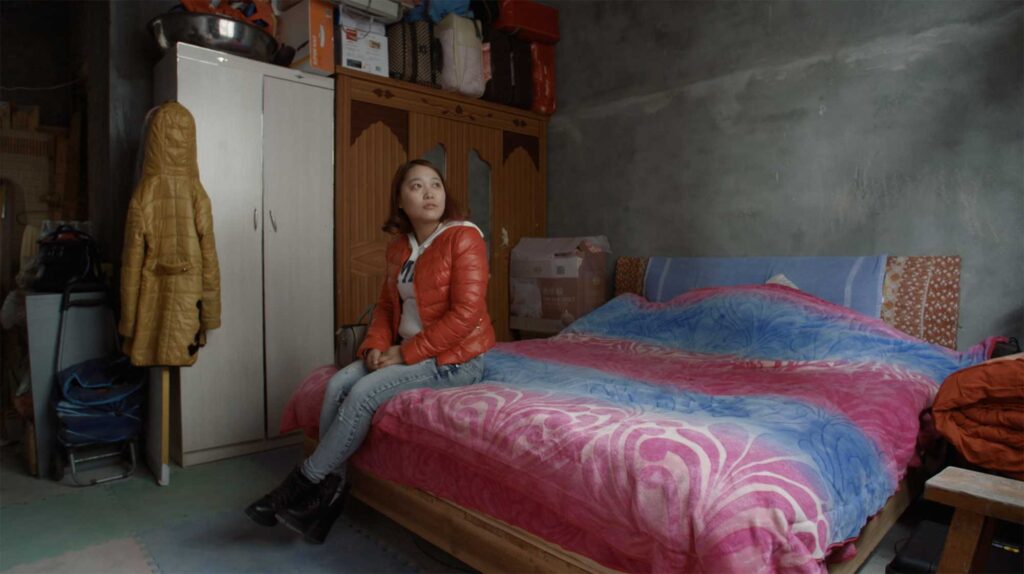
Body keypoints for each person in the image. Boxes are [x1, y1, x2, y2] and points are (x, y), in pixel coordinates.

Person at [246, 159, 495, 543]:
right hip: (409, 349)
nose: (429, 193)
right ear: (399, 200)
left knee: (362, 393)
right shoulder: (400, 248)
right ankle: (332, 493)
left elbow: (467, 314)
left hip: (456, 359)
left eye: (436, 185)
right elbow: (385, 308)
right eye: (416, 186)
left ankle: (300, 487)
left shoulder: (465, 237)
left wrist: (405, 353)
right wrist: (376, 347)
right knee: (335, 385)